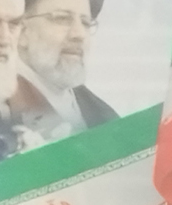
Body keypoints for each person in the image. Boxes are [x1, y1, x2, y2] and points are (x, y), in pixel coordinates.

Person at [8, 0, 116, 139]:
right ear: (21, 31)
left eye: (85, 23)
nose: (79, 34)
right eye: (62, 18)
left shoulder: (104, 115)